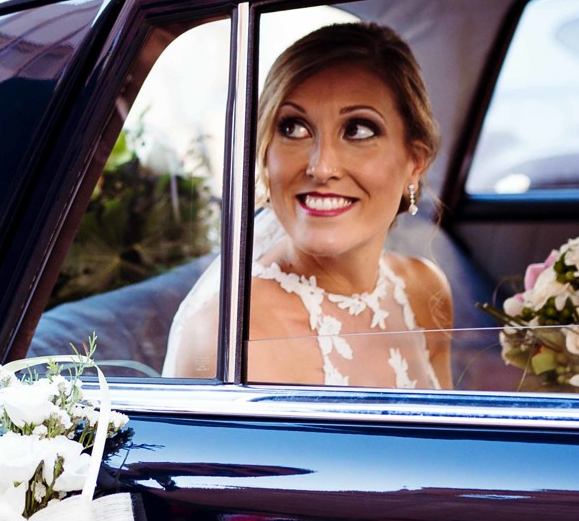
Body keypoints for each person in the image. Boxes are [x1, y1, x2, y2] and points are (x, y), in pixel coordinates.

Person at [163, 22, 453, 385]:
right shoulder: (230, 340)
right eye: (294, 128)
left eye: (358, 130)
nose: (321, 167)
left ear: (415, 163)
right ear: (265, 154)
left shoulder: (425, 290)